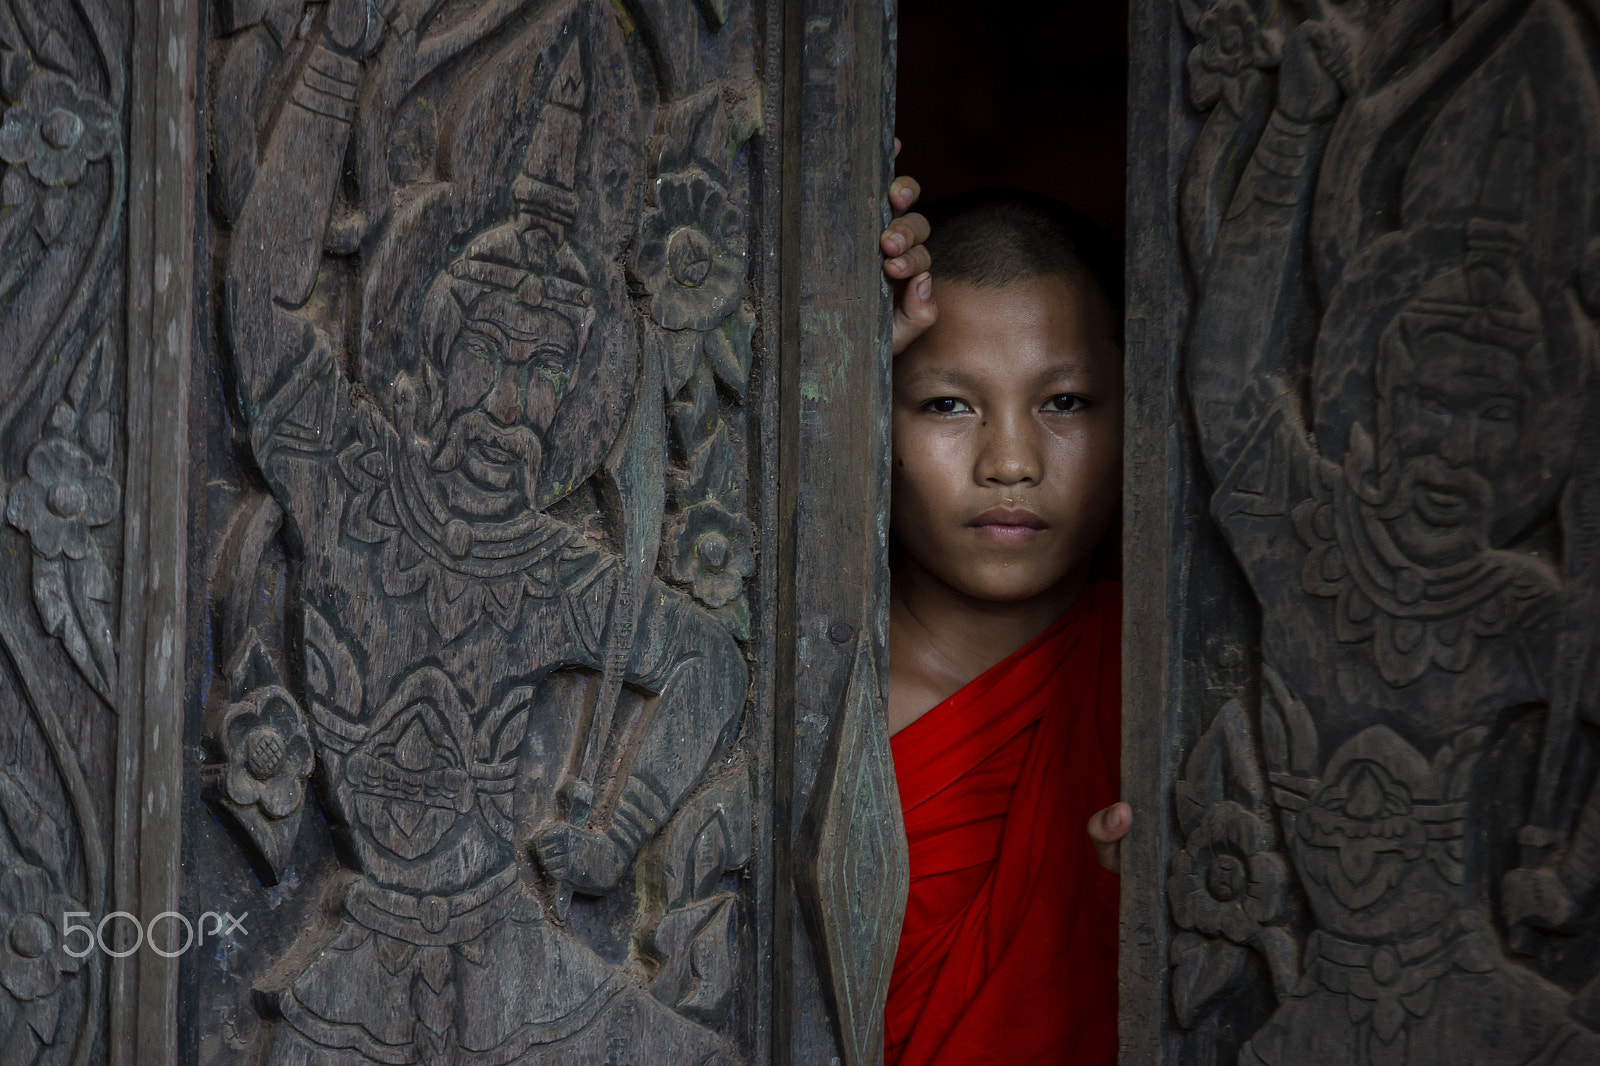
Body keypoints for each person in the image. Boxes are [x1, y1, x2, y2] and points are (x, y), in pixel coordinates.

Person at [877, 163, 1132, 1064]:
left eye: (1064, 402)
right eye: (949, 404)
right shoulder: (790, 690)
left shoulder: (1177, 681)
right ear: (871, 414)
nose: (1012, 461)